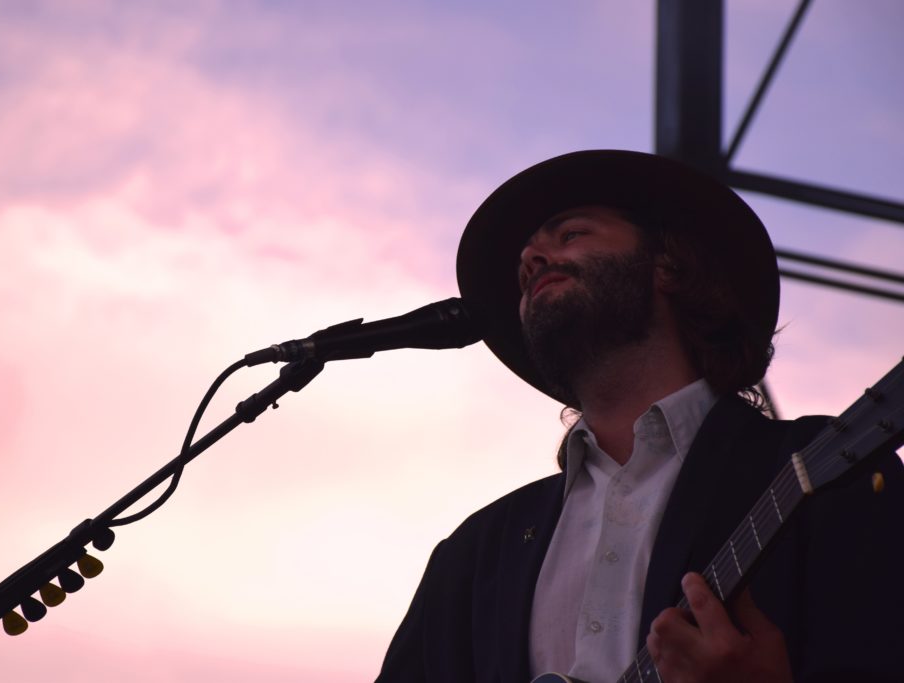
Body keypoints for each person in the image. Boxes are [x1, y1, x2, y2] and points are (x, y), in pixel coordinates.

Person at [375, 150, 904, 683]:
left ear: (668, 266)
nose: (533, 257)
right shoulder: (472, 555)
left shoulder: (817, 467)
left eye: (571, 235)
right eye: (523, 265)